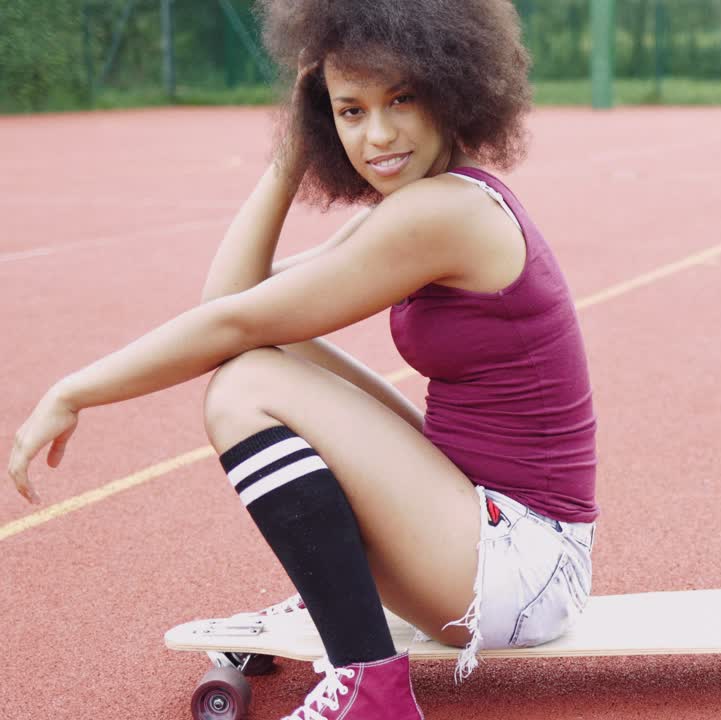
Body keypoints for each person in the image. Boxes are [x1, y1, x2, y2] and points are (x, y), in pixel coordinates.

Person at [6, 1, 599, 717]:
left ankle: (370, 684)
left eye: (400, 100)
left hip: (526, 566)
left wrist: (75, 390)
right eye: (349, 111)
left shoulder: (443, 214)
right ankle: (349, 617)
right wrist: (297, 143)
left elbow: (231, 319)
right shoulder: (415, 206)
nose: (376, 134)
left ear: (453, 88)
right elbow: (234, 299)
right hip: (493, 532)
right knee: (265, 350)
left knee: (243, 385)